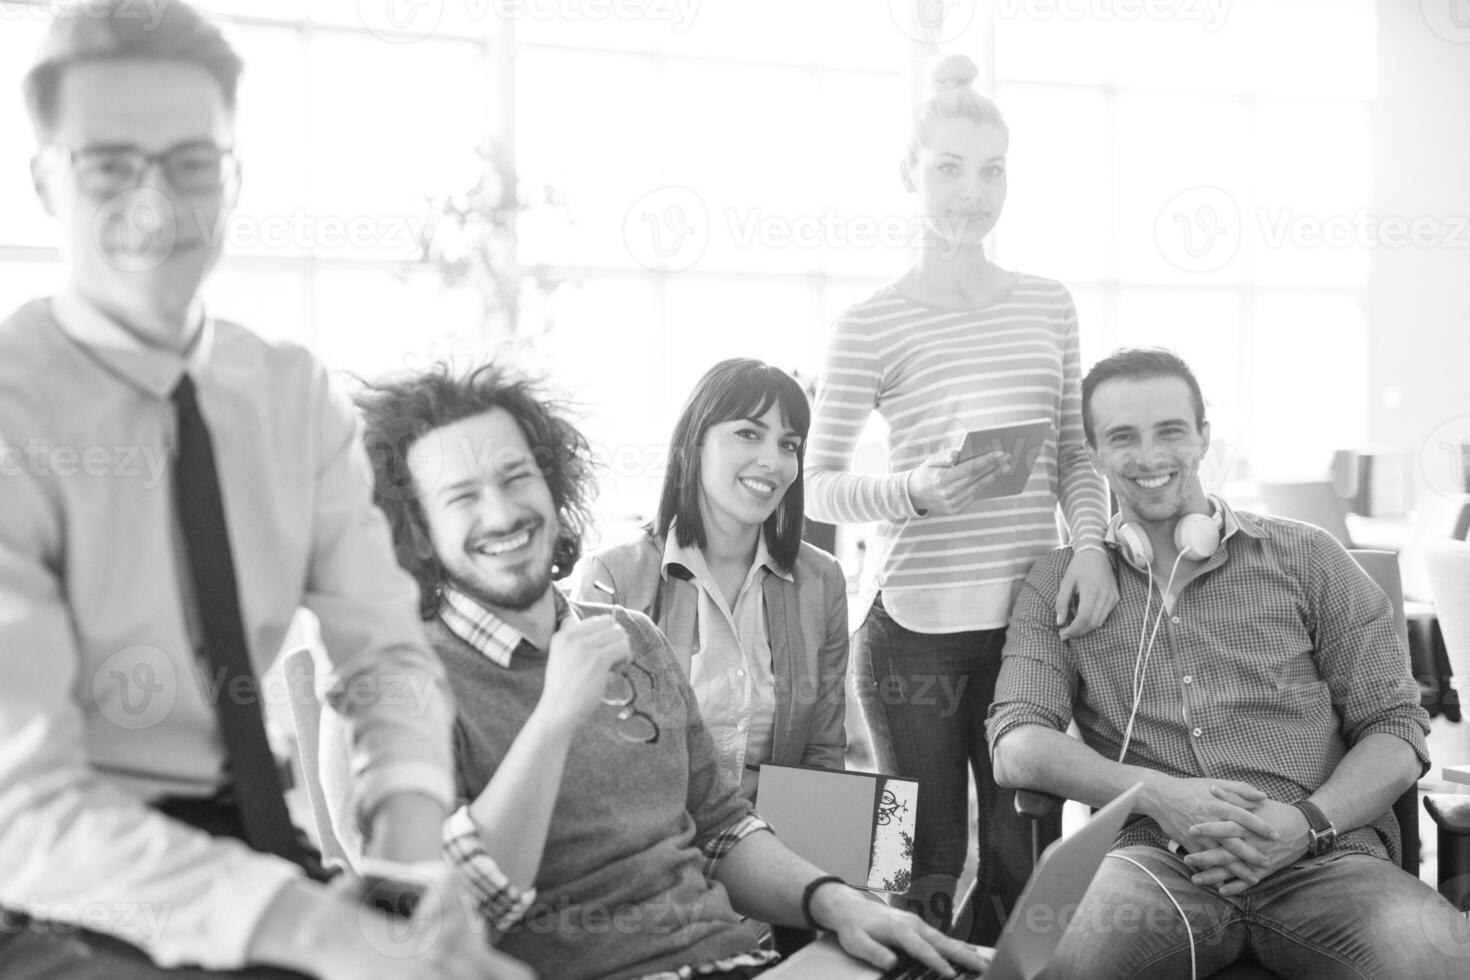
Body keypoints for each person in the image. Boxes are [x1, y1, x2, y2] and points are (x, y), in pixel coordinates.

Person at [0, 5, 525, 979]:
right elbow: (24, 809)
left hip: (252, 847)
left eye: (193, 163)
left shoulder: (290, 396)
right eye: (110, 164)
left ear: (233, 177)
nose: (157, 206)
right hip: (39, 890)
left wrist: (406, 870)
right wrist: (326, 932)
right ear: (44, 183)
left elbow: (383, 653)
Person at [336, 361, 990, 980]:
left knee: (924, 866)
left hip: (755, 891)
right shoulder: (407, 678)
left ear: (551, 483)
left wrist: (836, 902)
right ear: (417, 527)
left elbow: (727, 815)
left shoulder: (775, 590)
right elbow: (431, 924)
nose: (503, 513)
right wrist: (556, 716)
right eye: (460, 496)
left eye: (516, 477)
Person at [987, 347, 1468, 978]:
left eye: (1170, 431)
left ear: (1203, 438)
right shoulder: (1060, 584)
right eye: (1123, 437)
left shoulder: (1309, 557)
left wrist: (1304, 823)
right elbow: (1016, 744)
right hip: (1153, 863)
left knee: (1442, 960)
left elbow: (1397, 728)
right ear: (1095, 453)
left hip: (1325, 856)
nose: (1150, 457)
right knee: (1051, 963)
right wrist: (1160, 796)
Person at [804, 52, 1117, 939]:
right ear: (910, 174)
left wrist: (1090, 544)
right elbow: (817, 481)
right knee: (917, 866)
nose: (971, 193)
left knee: (1029, 863)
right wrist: (917, 491)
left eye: (991, 171)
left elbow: (1070, 451)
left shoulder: (1048, 305)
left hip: (1030, 624)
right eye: (948, 169)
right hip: (910, 638)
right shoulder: (869, 323)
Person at [574, 358, 848, 802]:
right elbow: (598, 758)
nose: (772, 461)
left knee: (897, 857)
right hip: (658, 834)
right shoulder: (613, 577)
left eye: (789, 444)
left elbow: (823, 755)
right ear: (694, 443)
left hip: (775, 834)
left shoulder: (822, 580)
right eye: (749, 433)